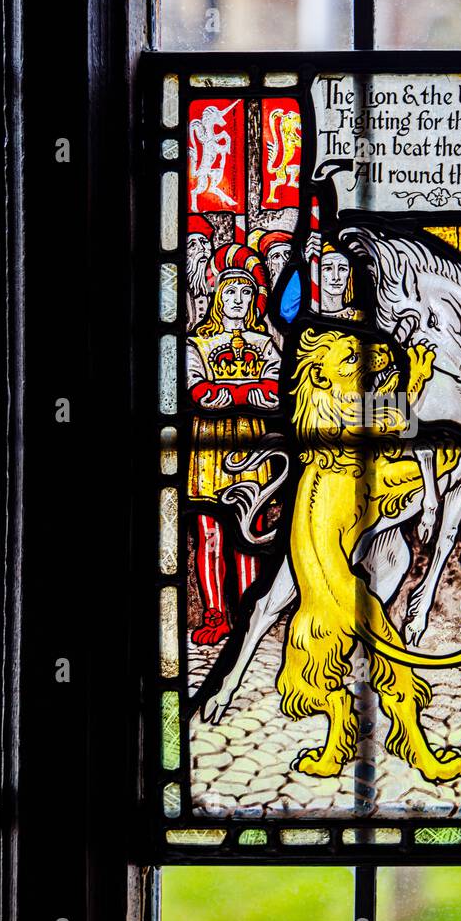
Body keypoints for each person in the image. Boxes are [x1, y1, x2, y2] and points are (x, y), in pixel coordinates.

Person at [187, 245, 280, 645]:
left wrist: (233, 394)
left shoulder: (265, 342)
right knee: (209, 535)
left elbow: (277, 390)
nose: (238, 301)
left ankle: (244, 612)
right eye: (230, 293)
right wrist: (247, 392)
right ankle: (214, 614)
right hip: (208, 449)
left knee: (247, 534)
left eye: (245, 293)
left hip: (250, 449)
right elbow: (196, 389)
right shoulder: (198, 342)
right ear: (218, 298)